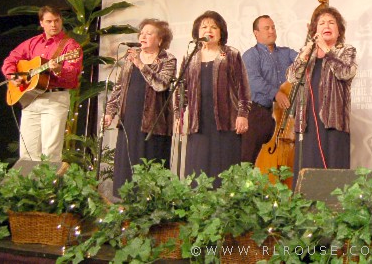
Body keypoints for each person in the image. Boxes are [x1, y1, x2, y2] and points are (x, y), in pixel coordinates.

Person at [175, 10, 251, 186]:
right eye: (204, 27)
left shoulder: (230, 54)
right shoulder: (190, 56)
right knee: (197, 169)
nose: (208, 30)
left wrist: (243, 114)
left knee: (224, 170)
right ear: (197, 32)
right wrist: (178, 114)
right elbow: (181, 90)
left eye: (213, 27)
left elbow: (243, 86)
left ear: (221, 32)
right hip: (198, 122)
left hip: (226, 122)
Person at [104, 18, 176, 197]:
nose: (143, 36)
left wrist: (141, 65)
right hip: (129, 119)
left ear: (160, 39)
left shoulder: (167, 59)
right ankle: (125, 206)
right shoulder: (131, 58)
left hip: (155, 122)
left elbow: (161, 84)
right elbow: (120, 87)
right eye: (141, 33)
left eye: (149, 33)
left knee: (151, 163)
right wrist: (109, 112)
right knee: (127, 163)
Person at [286, 6, 357, 188]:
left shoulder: (345, 50)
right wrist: (305, 53)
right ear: (314, 30)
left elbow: (346, 72)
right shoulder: (307, 53)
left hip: (334, 121)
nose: (327, 25)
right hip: (307, 121)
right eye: (322, 23)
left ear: (339, 30)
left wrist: (327, 50)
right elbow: (292, 77)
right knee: (308, 172)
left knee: (334, 174)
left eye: (331, 22)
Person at [1, 5, 83, 162]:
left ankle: (48, 186)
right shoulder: (32, 43)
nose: (53, 25)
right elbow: (11, 59)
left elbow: (72, 77)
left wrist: (58, 69)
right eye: (49, 21)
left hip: (55, 99)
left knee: (50, 152)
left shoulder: (70, 46)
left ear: (61, 21)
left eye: (57, 21)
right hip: (30, 99)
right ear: (41, 23)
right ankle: (29, 186)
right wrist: (13, 75)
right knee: (27, 153)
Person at [241, 15, 298, 163]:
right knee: (251, 157)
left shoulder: (286, 52)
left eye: (273, 27)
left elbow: (302, 61)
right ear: (256, 33)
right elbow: (253, 80)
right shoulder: (250, 55)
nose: (271, 31)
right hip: (258, 113)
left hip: (283, 115)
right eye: (267, 28)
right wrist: (276, 93)